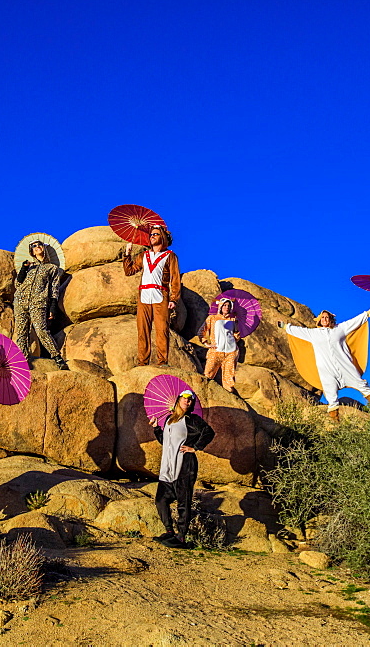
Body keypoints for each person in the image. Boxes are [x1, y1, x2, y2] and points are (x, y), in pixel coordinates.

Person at [279, 309, 370, 422]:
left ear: (331, 319)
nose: (325, 319)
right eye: (322, 317)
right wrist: (285, 326)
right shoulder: (313, 333)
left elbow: (353, 322)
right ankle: (336, 425)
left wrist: (366, 314)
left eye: (327, 317)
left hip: (345, 366)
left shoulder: (339, 329)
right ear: (319, 320)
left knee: (362, 385)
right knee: (331, 397)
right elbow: (299, 331)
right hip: (326, 370)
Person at [150, 389, 215, 548]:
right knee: (160, 500)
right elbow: (165, 442)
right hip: (167, 467)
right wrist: (156, 428)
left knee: (183, 502)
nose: (188, 401)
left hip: (185, 467)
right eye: (185, 398)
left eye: (191, 399)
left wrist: (195, 447)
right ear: (178, 400)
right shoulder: (168, 420)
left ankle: (181, 537)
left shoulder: (192, 419)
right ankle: (169, 531)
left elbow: (209, 432)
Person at [123, 225, 180, 367]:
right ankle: (143, 362)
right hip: (144, 295)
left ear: (163, 237)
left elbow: (175, 278)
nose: (152, 236)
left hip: (161, 294)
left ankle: (162, 361)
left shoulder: (170, 256)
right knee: (142, 329)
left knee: (162, 330)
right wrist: (127, 254)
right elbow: (129, 271)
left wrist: (174, 298)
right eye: (151, 235)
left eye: (155, 234)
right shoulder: (144, 255)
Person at [14, 239, 68, 369]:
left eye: (39, 245)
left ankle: (57, 357)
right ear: (31, 251)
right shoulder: (28, 267)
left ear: (44, 248)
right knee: (21, 333)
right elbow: (17, 284)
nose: (36, 247)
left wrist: (53, 307)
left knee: (41, 330)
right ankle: (23, 362)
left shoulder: (52, 268)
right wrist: (23, 269)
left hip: (38, 302)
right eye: (33, 246)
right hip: (20, 302)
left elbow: (54, 289)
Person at [200, 298, 241, 393]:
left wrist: (236, 330)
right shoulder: (212, 318)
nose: (226, 307)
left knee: (229, 379)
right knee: (208, 374)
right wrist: (206, 343)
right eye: (225, 305)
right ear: (221, 306)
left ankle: (229, 399)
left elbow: (236, 336)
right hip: (215, 351)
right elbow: (201, 331)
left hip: (231, 352)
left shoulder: (233, 319)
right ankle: (204, 395)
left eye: (229, 306)